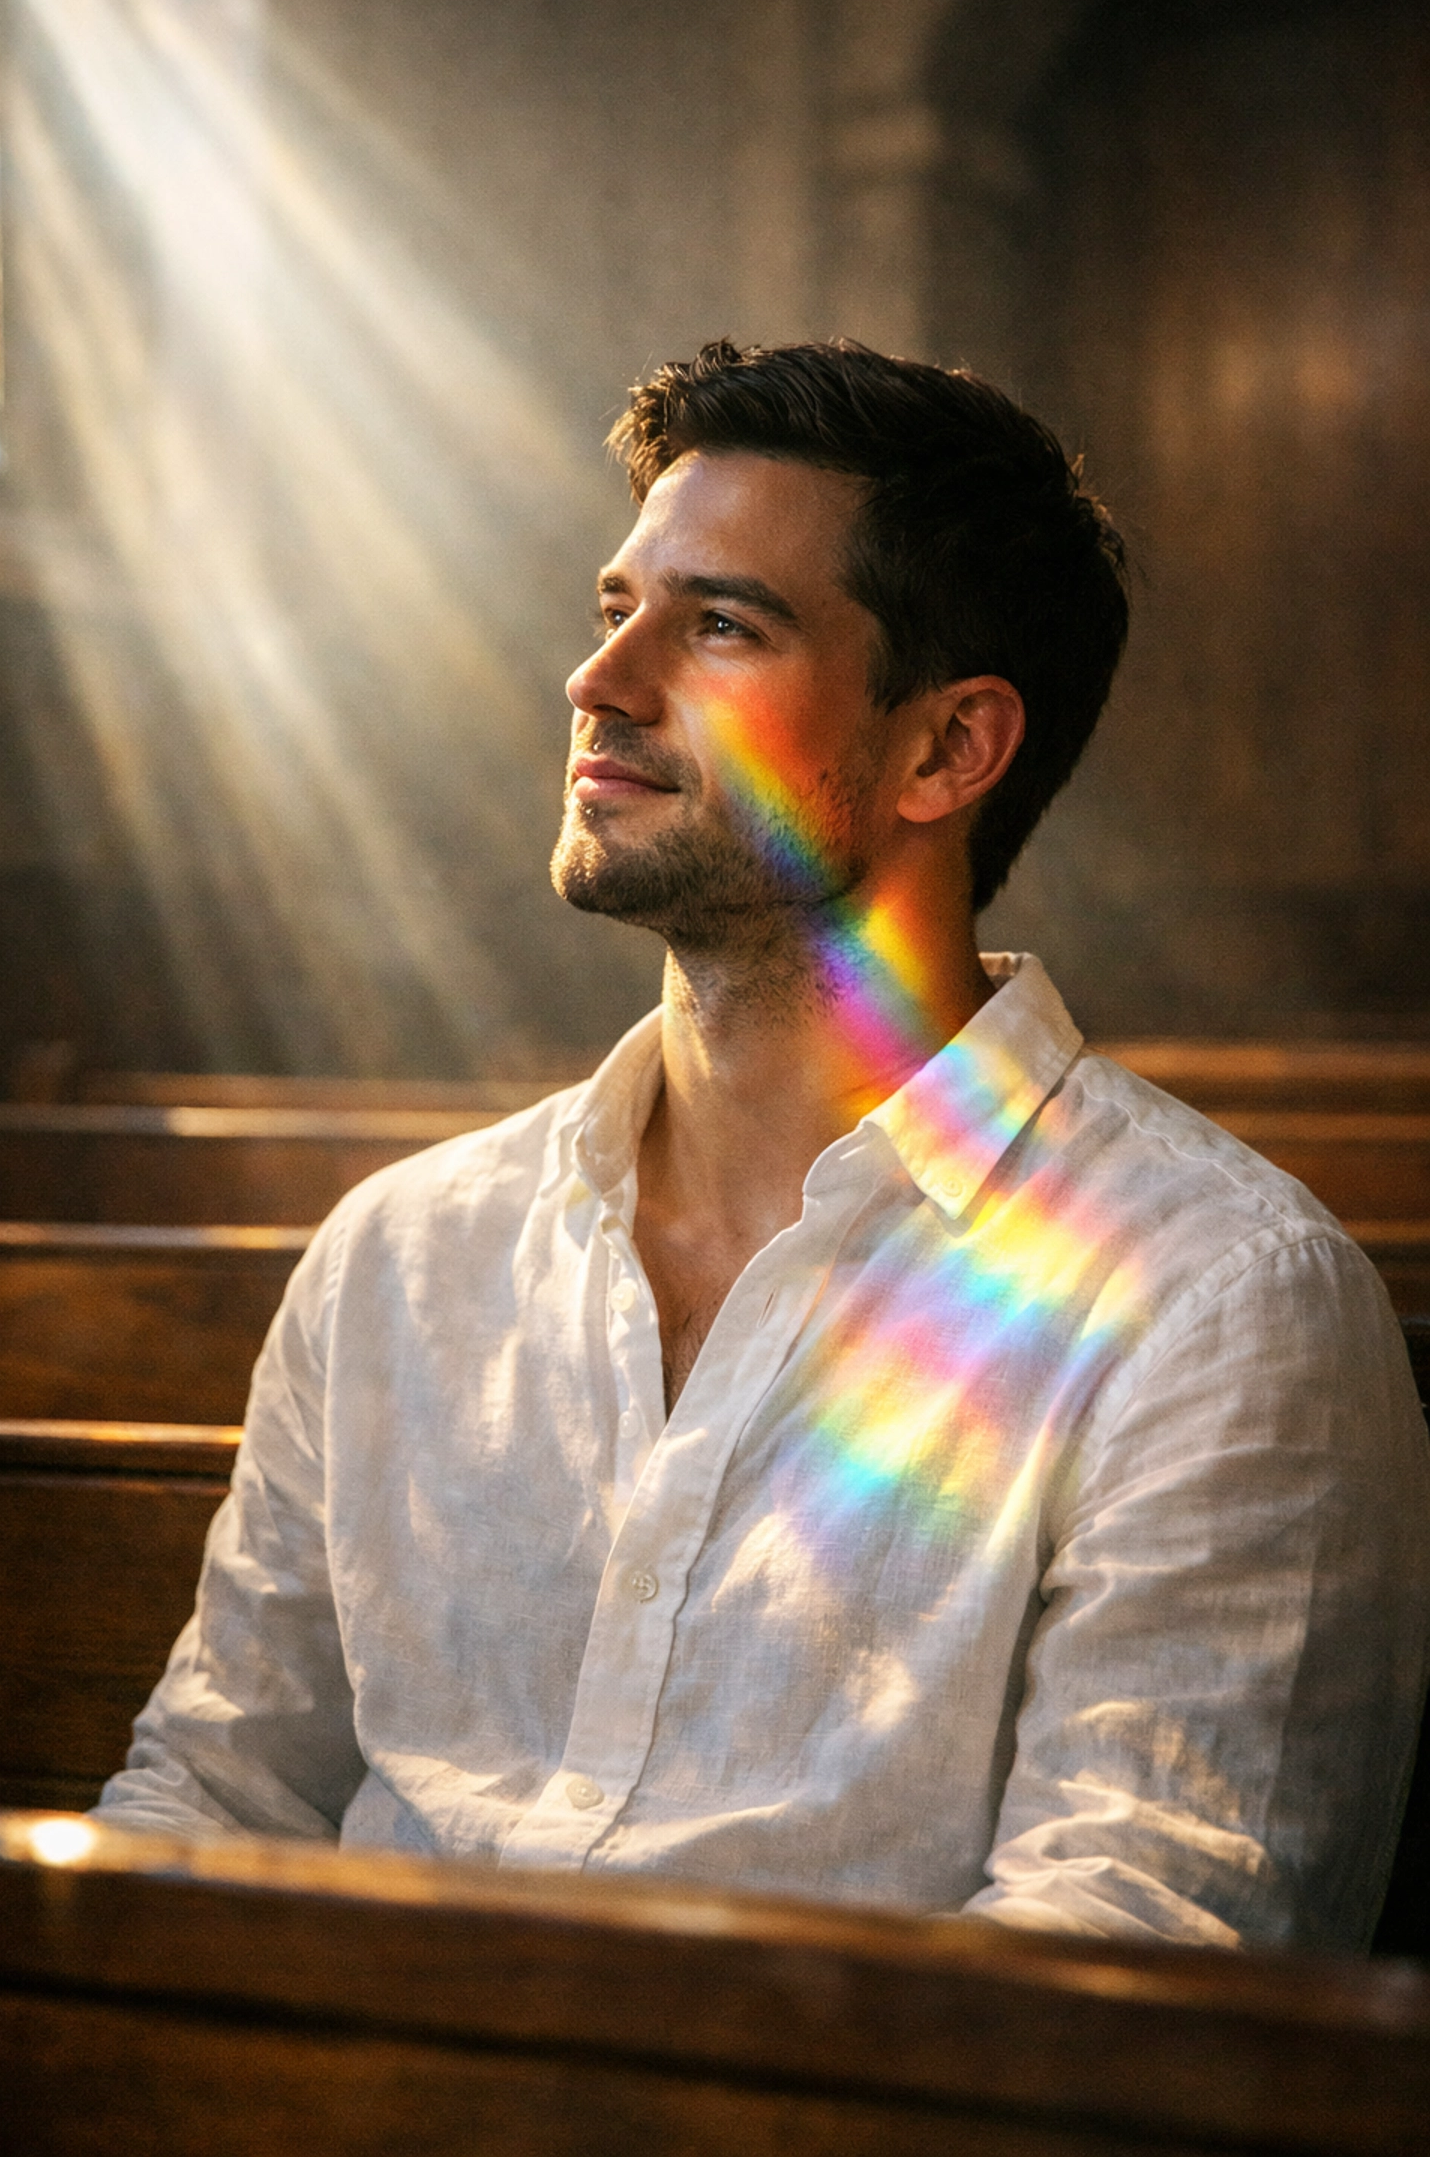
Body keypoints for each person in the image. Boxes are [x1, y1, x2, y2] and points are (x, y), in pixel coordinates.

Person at [95, 339, 1430, 1949]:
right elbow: (211, 1804)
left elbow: (1127, 1991)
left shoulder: (1217, 1305)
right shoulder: (402, 1253)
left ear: (948, 750)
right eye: (617, 610)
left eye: (720, 625)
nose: (603, 680)